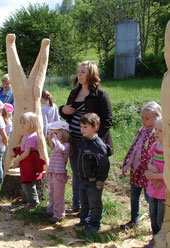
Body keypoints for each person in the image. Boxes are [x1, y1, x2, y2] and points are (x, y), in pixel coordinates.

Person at [59, 61, 112, 214]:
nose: (79, 74)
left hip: (91, 145)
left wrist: (94, 141)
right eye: (78, 71)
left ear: (91, 74)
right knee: (76, 173)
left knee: (90, 176)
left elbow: (107, 121)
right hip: (74, 141)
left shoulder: (100, 95)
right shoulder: (74, 93)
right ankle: (77, 205)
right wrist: (63, 110)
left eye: (83, 71)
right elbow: (67, 112)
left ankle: (90, 210)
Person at [120, 101, 162, 230]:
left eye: (147, 118)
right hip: (137, 169)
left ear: (156, 117)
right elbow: (133, 148)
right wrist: (127, 163)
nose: (144, 120)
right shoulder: (141, 131)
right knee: (134, 196)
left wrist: (154, 170)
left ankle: (156, 225)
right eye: (142, 117)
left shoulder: (157, 134)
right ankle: (134, 220)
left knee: (151, 199)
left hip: (150, 173)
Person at [74, 113, 110, 231]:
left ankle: (95, 223)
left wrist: (100, 180)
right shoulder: (84, 142)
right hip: (83, 180)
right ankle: (84, 220)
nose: (82, 130)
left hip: (94, 182)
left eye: (85, 127)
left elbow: (104, 164)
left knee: (94, 204)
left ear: (95, 128)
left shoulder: (98, 145)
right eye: (81, 127)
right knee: (84, 203)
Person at [12, 112, 45, 209]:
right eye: (21, 123)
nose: (22, 125)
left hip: (29, 163)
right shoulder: (27, 134)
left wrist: (17, 161)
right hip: (25, 162)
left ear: (32, 123)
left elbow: (27, 153)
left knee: (29, 182)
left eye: (24, 123)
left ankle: (34, 202)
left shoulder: (31, 137)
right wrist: (17, 152)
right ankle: (25, 199)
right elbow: (24, 149)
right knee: (24, 180)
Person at [144, 118, 166, 248]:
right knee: (152, 216)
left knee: (161, 219)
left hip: (164, 191)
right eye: (156, 129)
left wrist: (154, 175)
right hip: (154, 189)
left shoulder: (168, 151)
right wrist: (150, 166)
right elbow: (150, 162)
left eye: (161, 130)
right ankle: (154, 239)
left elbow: (168, 174)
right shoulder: (154, 146)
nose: (156, 132)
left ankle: (161, 241)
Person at [46, 120, 71, 224]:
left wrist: (55, 139)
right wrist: (52, 138)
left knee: (58, 195)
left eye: (56, 133)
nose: (54, 135)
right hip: (52, 172)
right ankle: (51, 209)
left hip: (59, 174)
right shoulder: (56, 145)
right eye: (53, 133)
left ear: (64, 133)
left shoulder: (66, 145)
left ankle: (59, 214)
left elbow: (61, 149)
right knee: (52, 193)